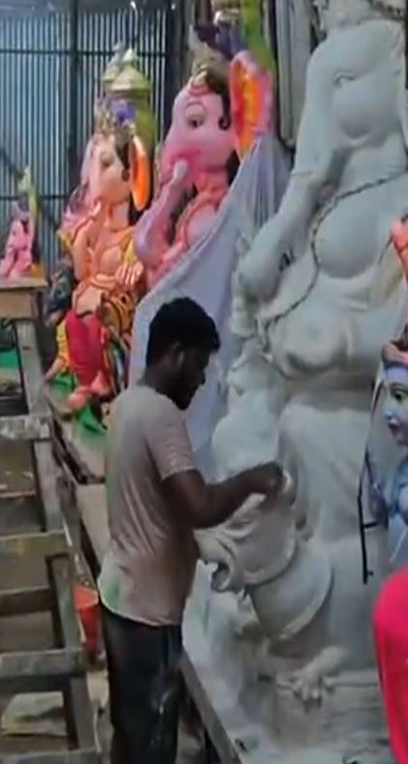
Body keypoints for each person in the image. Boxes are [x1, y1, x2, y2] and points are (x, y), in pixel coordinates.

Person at [98, 297, 284, 764]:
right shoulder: (161, 416)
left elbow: (156, 507)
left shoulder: (126, 405)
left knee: (131, 730)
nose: (202, 381)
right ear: (177, 353)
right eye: (199, 366)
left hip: (121, 596)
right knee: (154, 742)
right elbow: (199, 505)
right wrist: (254, 479)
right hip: (148, 614)